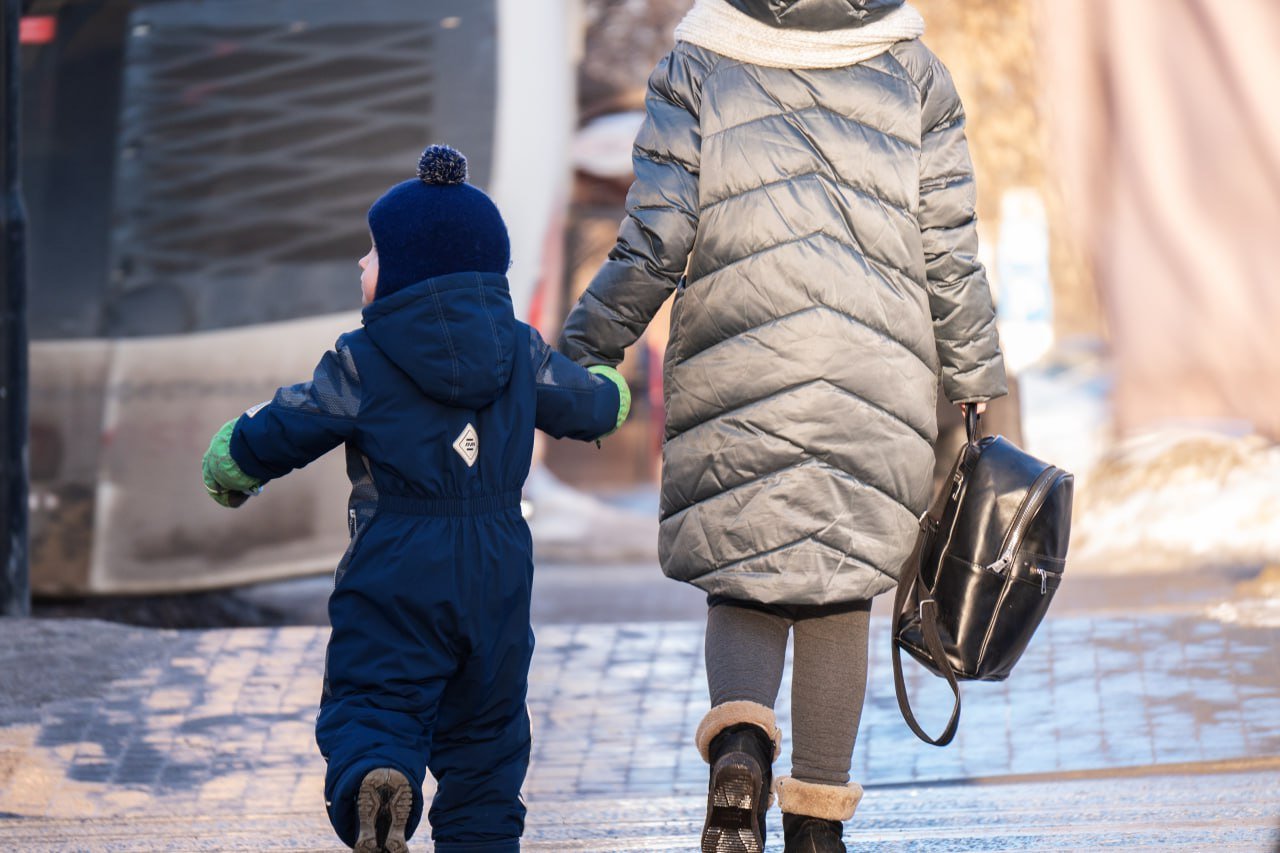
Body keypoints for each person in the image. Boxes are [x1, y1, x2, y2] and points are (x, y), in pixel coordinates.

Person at [558, 1, 1006, 850]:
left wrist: (587, 348)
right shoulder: (912, 71)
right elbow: (947, 244)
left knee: (743, 572)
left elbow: (656, 237)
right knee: (839, 590)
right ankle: (816, 827)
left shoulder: (698, 62)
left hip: (737, 353)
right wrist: (977, 380)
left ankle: (738, 746)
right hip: (874, 366)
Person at [200, 146, 630, 853]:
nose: (362, 267)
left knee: (375, 700)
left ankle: (379, 776)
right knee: (487, 739)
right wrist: (613, 394)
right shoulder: (521, 351)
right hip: (496, 570)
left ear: (406, 271)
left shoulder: (362, 359)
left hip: (395, 562)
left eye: (371, 254)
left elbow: (293, 422)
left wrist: (235, 459)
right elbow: (585, 404)